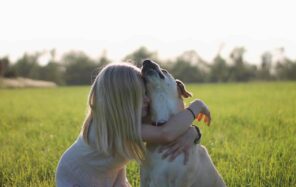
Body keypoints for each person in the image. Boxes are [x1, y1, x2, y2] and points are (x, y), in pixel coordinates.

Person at [55, 62, 211, 187]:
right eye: (141, 95)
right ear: (122, 101)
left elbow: (172, 126)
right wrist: (196, 106)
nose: (148, 99)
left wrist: (193, 132)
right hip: (76, 178)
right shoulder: (117, 127)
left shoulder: (131, 119)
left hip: (110, 178)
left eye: (146, 93)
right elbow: (166, 133)